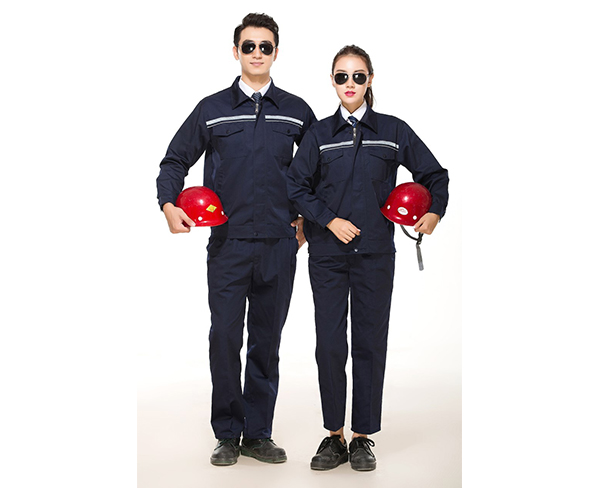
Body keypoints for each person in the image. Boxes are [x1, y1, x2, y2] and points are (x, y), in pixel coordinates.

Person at [156, 13, 316, 466]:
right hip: (228, 245)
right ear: (236, 52)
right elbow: (175, 160)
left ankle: (258, 433)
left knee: (266, 341)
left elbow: (319, 170)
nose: (257, 54)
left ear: (276, 53)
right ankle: (227, 433)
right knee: (225, 337)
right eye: (249, 46)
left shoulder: (296, 110)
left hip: (280, 245)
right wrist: (168, 204)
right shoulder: (212, 108)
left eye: (265, 47)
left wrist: (308, 222)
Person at [286, 45, 449, 471]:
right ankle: (333, 435)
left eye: (358, 76)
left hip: (375, 254)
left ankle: (362, 437)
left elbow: (435, 175)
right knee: (329, 344)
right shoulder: (320, 135)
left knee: (370, 343)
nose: (350, 83)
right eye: (342, 76)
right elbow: (295, 185)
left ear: (370, 80)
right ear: (332, 81)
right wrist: (329, 220)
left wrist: (434, 211)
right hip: (327, 255)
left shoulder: (393, 131)